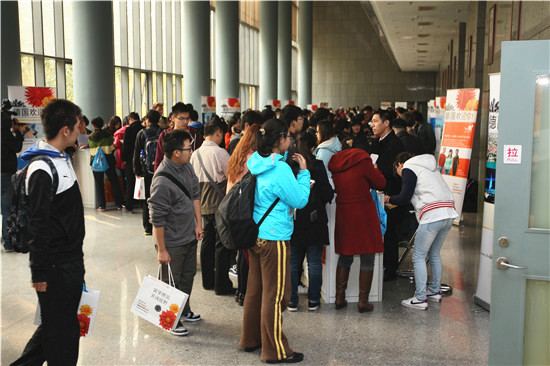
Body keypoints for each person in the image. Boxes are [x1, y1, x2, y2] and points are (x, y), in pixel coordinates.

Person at [11, 99, 86, 365]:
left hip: (70, 260)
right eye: (77, 126)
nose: (80, 131)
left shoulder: (62, 158)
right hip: (56, 266)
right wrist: (39, 271)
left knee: (55, 326)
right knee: (63, 333)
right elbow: (38, 224)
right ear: (65, 129)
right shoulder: (42, 168)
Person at [239, 119, 310, 364]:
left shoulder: (255, 162)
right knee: (276, 295)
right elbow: (300, 200)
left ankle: (250, 339)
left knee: (255, 291)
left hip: (256, 234)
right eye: (289, 137)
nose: (291, 141)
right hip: (275, 238)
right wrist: (304, 173)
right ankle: (275, 350)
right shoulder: (279, 169)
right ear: (280, 139)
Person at [149, 129, 204, 335]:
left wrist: (198, 224)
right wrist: (162, 249)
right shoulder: (161, 181)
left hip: (189, 235)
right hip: (172, 241)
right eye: (188, 149)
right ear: (175, 153)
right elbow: (157, 219)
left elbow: (195, 194)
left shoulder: (187, 167)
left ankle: (184, 310)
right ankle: (169, 319)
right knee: (170, 281)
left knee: (187, 277)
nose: (191, 152)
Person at [385, 152, 457, 310]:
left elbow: (405, 197)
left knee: (418, 255)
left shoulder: (409, 167)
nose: (400, 176)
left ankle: (420, 297)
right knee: (434, 253)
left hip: (433, 215)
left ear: (399, 165)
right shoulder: (429, 167)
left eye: (397, 171)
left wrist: (388, 199)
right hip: (448, 212)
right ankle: (434, 290)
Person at [328, 140, 386, 312]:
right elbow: (381, 183)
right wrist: (375, 169)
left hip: (344, 212)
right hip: (363, 212)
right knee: (368, 255)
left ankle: (339, 298)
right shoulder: (364, 162)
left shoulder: (335, 164)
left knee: (345, 255)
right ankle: (363, 301)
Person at [289, 133, 333, 312]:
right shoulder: (318, 165)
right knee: (314, 262)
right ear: (313, 148)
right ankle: (314, 300)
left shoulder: (288, 166)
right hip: (315, 219)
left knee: (293, 262)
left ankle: (292, 300)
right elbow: (328, 194)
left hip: (294, 220)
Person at [189, 120, 233, 295]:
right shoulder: (220, 153)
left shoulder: (195, 154)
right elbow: (231, 175)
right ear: (218, 134)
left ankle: (207, 281)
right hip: (219, 203)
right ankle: (221, 284)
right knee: (221, 244)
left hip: (201, 203)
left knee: (206, 243)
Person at [226, 124, 261, 306]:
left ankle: (241, 291)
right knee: (247, 255)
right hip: (246, 210)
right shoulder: (253, 158)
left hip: (233, 208)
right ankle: (246, 292)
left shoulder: (237, 155)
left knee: (242, 254)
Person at [370, 109, 406, 281]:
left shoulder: (395, 144)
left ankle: (391, 269)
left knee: (390, 231)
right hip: (378, 192)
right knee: (382, 230)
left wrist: (378, 169)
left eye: (376, 121)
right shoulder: (378, 142)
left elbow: (397, 171)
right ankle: (384, 265)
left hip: (392, 194)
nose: (372, 124)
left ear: (386, 123)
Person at [1, 107, 32, 251]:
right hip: (6, 173)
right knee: (7, 209)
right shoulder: (5, 134)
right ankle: (8, 243)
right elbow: (16, 147)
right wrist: (18, 132)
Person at [134, 109, 162, 235]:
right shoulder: (163, 132)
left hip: (146, 171)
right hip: (161, 171)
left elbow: (136, 154)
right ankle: (161, 225)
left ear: (148, 120)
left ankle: (148, 227)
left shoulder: (142, 133)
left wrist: (137, 170)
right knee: (161, 197)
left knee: (147, 199)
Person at [88, 117, 124, 211]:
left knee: (99, 183)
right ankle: (119, 204)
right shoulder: (108, 135)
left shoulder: (90, 137)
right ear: (103, 124)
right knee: (114, 182)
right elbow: (112, 148)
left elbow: (92, 150)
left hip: (96, 162)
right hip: (109, 161)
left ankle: (101, 206)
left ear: (93, 125)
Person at [154, 103, 203, 171]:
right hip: (170, 174)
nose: (185, 121)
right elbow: (159, 160)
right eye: (182, 118)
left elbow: (199, 156)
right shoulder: (165, 135)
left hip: (190, 173)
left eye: (187, 118)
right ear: (173, 118)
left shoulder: (194, 134)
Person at [121, 112, 142, 213]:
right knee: (142, 181)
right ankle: (142, 203)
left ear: (131, 119)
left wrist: (123, 158)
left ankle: (129, 205)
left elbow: (126, 146)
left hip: (130, 159)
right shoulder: (143, 129)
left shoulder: (129, 130)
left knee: (130, 182)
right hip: (142, 159)